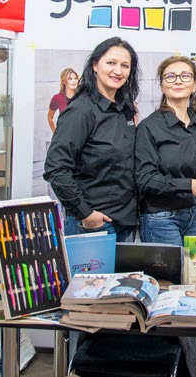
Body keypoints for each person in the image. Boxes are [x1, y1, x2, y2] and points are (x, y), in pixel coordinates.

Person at [45, 37, 141, 242]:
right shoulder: (81, 110)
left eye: (125, 66)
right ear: (95, 65)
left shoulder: (124, 109)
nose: (118, 71)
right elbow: (56, 168)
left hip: (125, 221)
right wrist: (86, 213)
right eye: (111, 63)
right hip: (94, 224)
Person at [136, 56, 196, 246]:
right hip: (161, 218)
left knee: (194, 267)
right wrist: (189, 185)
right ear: (162, 86)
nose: (178, 81)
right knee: (169, 268)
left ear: (194, 85)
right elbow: (145, 179)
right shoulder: (150, 126)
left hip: (195, 215)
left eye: (185, 76)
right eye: (170, 76)